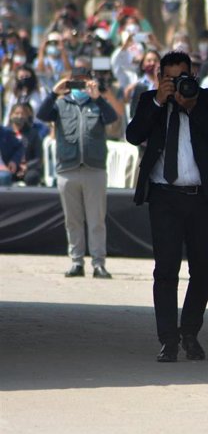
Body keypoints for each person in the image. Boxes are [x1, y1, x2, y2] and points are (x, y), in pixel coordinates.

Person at [125, 51, 208, 362]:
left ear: (192, 76)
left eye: (182, 77)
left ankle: (190, 332)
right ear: (159, 78)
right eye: (169, 78)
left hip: (200, 198)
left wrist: (191, 106)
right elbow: (133, 135)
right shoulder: (148, 100)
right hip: (164, 197)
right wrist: (159, 102)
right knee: (166, 270)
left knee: (203, 268)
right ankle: (168, 340)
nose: (176, 84)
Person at [37, 66, 118, 278]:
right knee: (72, 220)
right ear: (69, 82)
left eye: (84, 81)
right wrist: (54, 92)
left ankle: (99, 263)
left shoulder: (97, 104)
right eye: (76, 82)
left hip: (94, 169)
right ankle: (76, 262)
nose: (80, 86)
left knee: (96, 220)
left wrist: (98, 97)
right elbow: (41, 114)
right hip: (68, 168)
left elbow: (112, 119)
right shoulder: (61, 103)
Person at [8, 103, 43, 185]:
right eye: (17, 113)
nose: (20, 116)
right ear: (11, 115)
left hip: (28, 169)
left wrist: (26, 166)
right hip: (9, 168)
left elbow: (38, 159)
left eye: (22, 114)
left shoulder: (33, 134)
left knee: (32, 177)